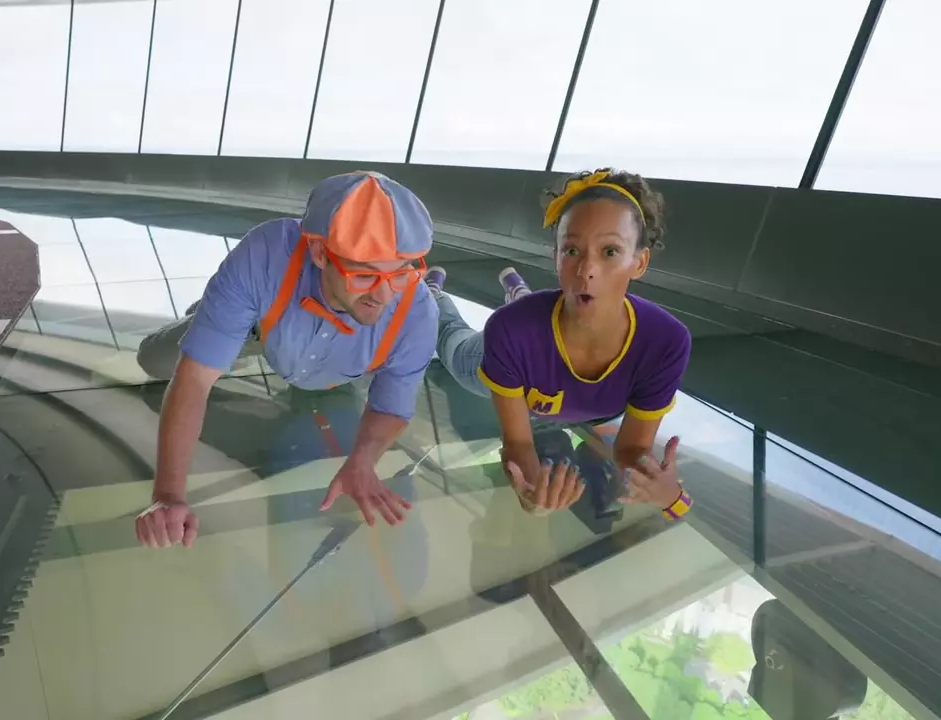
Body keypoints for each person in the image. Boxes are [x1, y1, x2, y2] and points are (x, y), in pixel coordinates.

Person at [134, 171, 439, 547]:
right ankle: (219, 314)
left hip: (336, 369)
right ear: (320, 253)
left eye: (400, 275)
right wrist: (168, 493)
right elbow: (194, 378)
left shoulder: (417, 316)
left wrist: (363, 459)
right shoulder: (265, 256)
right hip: (260, 331)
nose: (383, 295)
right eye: (364, 276)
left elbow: (391, 406)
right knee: (153, 360)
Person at [425, 168, 693, 521]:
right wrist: (528, 492)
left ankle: (518, 291)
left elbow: (631, 449)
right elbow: (518, 443)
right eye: (572, 250)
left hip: (540, 328)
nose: (586, 270)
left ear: (639, 261)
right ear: (556, 257)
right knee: (449, 338)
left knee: (543, 308)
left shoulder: (665, 343)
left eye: (610, 251)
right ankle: (431, 294)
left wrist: (671, 497)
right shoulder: (510, 330)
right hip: (490, 363)